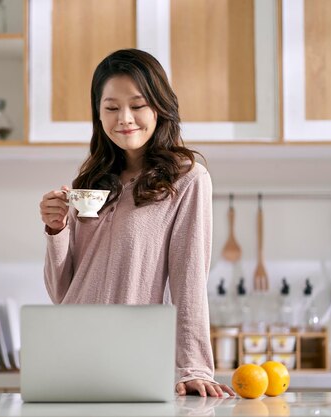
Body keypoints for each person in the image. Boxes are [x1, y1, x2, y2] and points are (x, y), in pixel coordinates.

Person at [39, 48, 234, 397]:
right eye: (111, 108)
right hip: (68, 355)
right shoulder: (92, 182)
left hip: (134, 358)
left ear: (159, 107)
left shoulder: (187, 180)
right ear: (98, 114)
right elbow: (62, 293)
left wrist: (194, 367)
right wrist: (57, 230)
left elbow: (188, 281)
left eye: (138, 105)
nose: (124, 118)